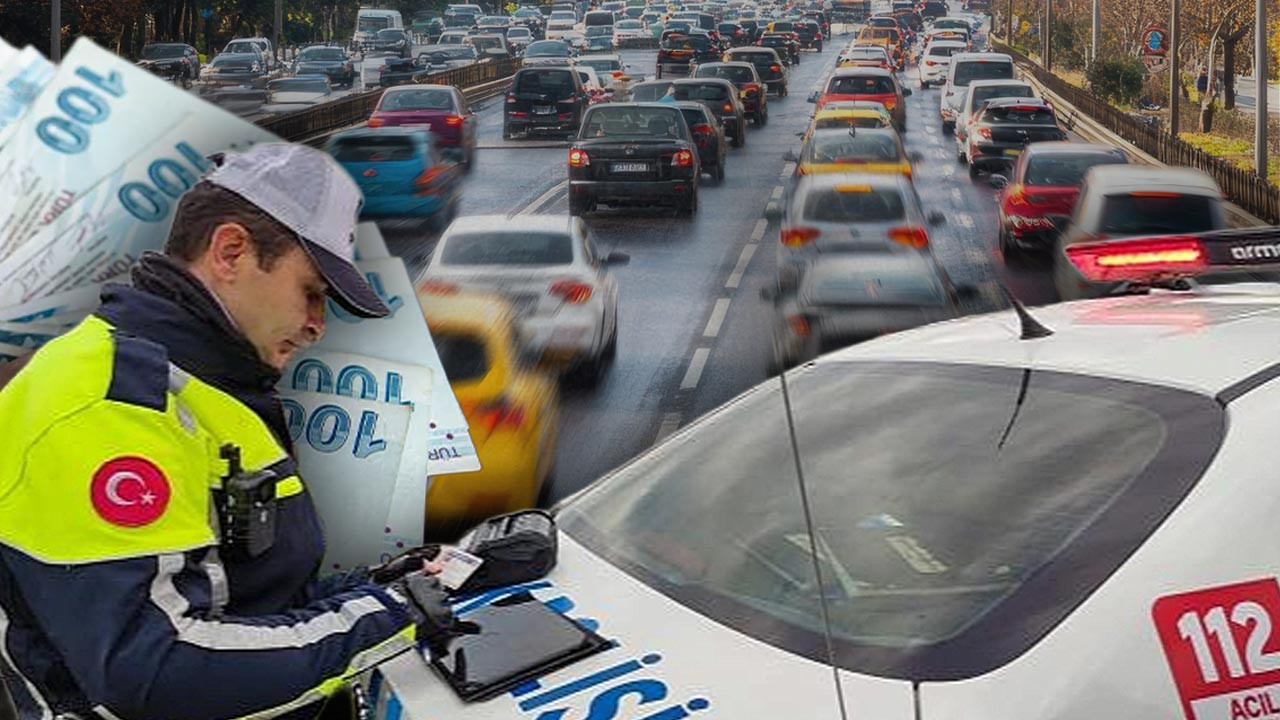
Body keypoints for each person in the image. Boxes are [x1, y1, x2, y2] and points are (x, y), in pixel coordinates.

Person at [0, 144, 445, 720]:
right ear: (230, 251)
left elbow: (253, 601)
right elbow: (157, 671)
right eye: (311, 291)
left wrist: (394, 583)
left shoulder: (206, 387)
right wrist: (397, 613)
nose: (317, 324)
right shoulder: (105, 404)